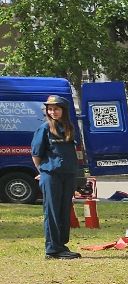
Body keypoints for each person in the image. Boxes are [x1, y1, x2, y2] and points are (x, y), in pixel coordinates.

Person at [32, 95, 86, 260]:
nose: (52, 112)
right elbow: (36, 154)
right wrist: (43, 172)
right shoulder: (44, 128)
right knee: (52, 211)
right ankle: (52, 249)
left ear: (63, 110)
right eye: (50, 109)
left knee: (64, 210)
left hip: (68, 175)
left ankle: (61, 246)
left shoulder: (69, 128)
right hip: (51, 175)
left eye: (56, 109)